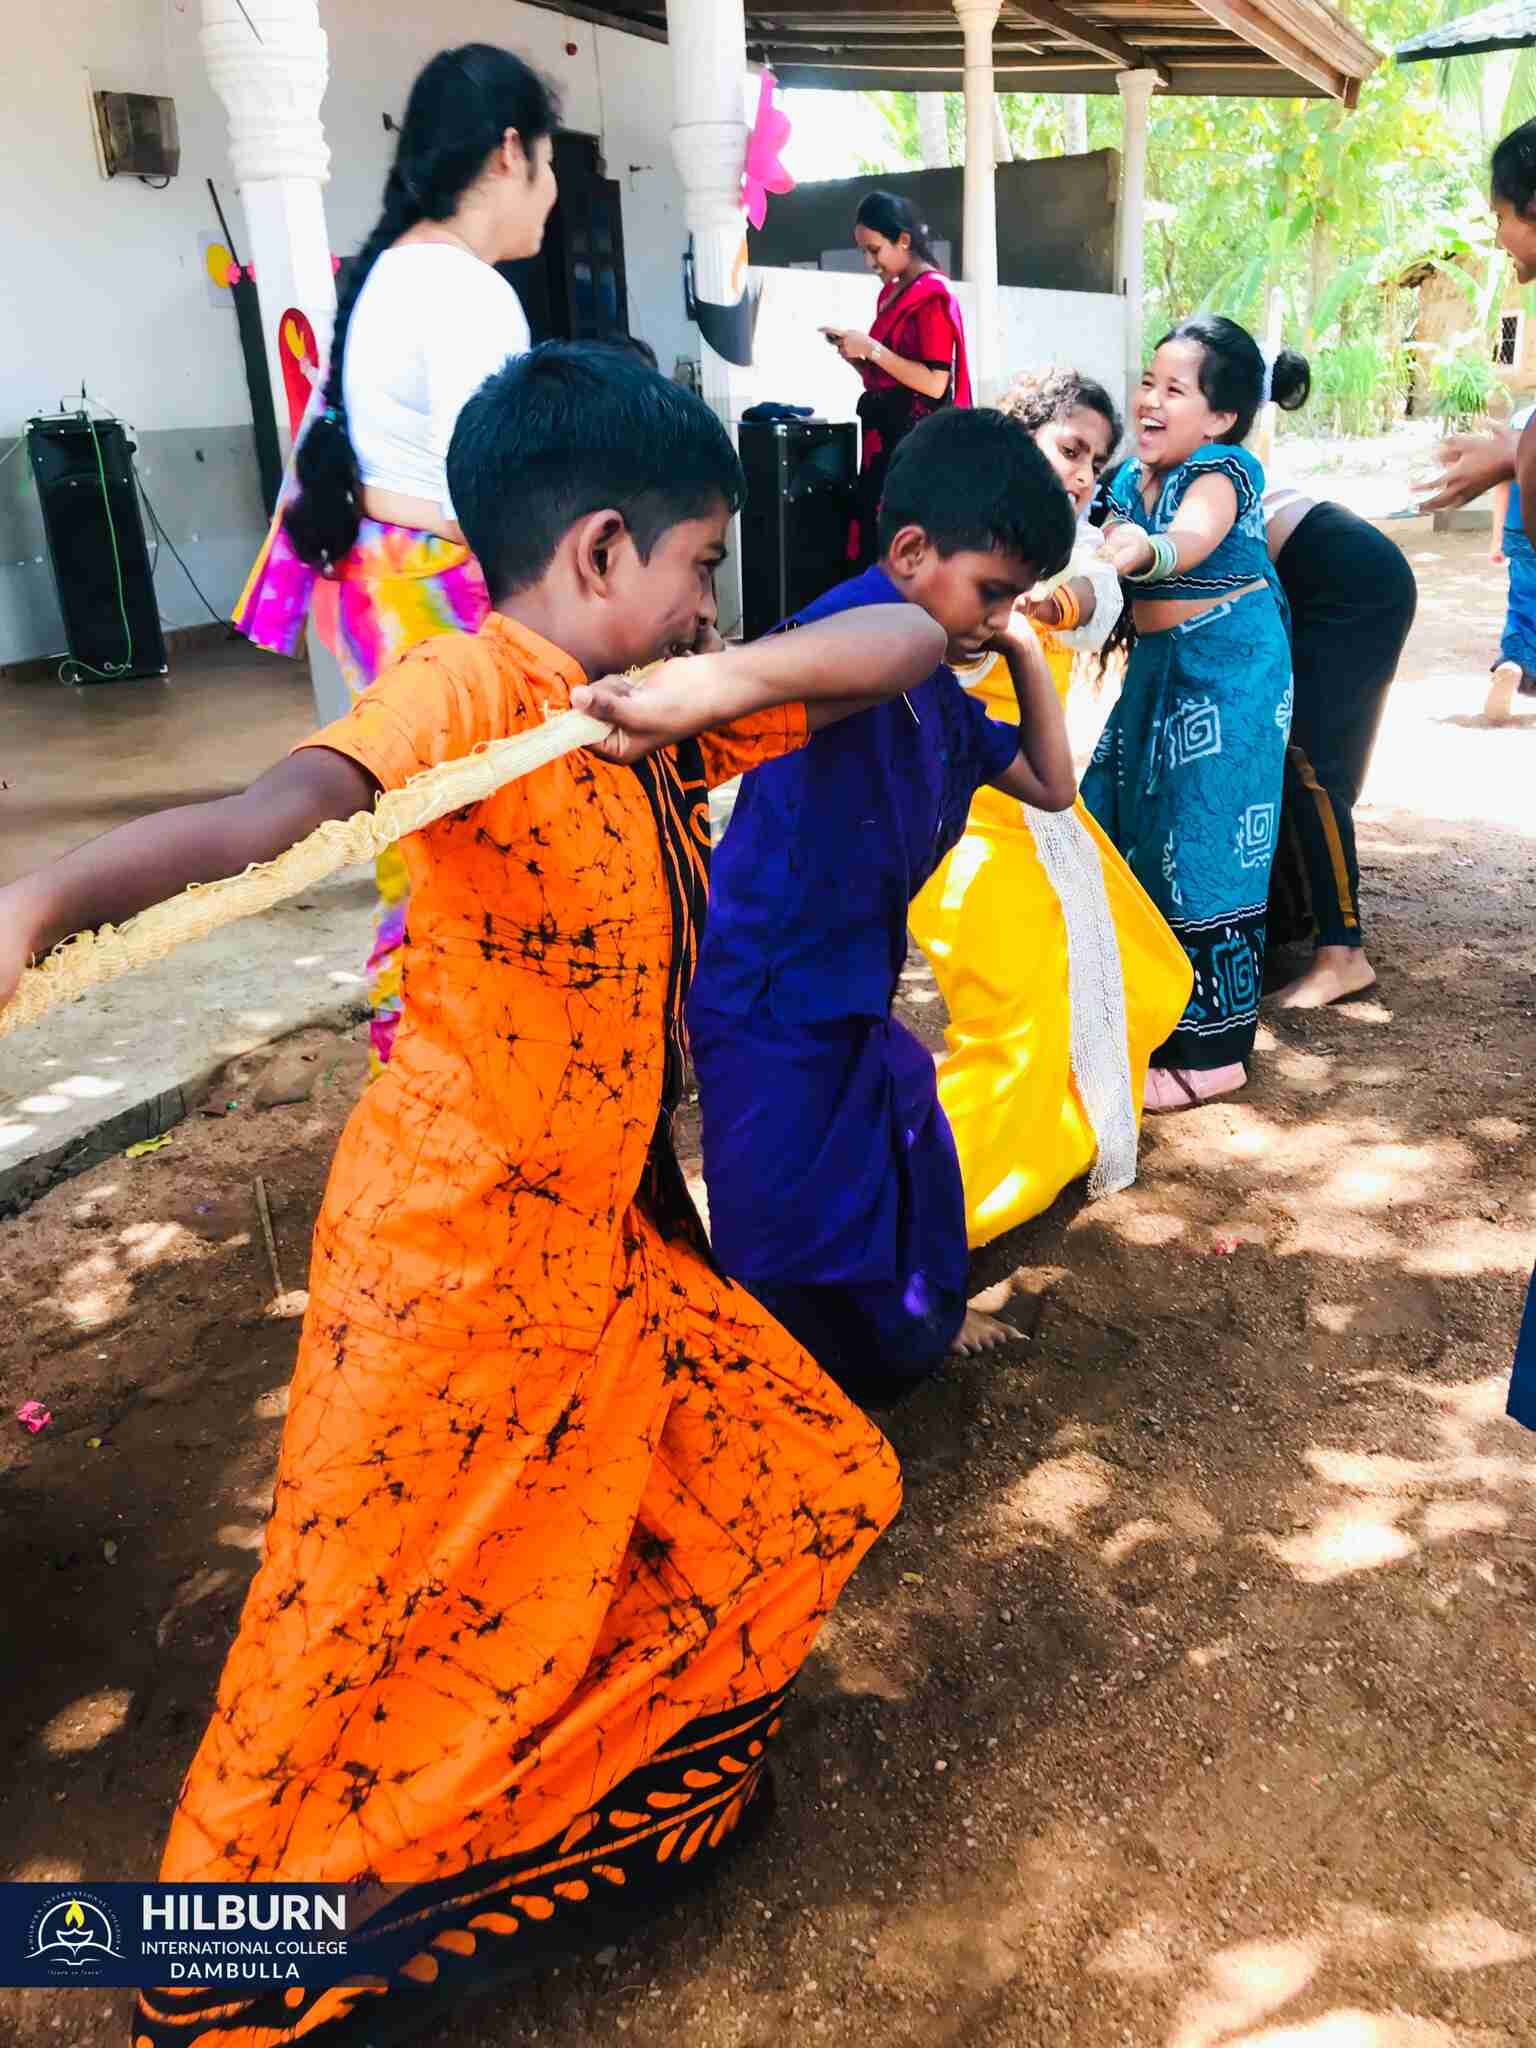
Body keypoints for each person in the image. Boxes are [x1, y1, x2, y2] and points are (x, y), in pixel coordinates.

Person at [0, 346, 955, 2048]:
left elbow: (908, 642)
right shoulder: (469, 690)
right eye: (693, 569)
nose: (702, 605)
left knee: (808, 1484)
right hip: (447, 1261)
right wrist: (56, 883)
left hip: (599, 1246)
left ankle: (546, 1832)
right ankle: (198, 1971)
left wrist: (698, 681)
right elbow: (276, 809)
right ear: (599, 553)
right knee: (340, 1653)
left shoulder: (660, 704)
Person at [688, 407, 1077, 1408]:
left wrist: (1023, 648)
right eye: (991, 590)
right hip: (767, 994)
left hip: (849, 991)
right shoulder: (863, 634)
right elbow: (859, 651)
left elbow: (1050, 781)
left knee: (906, 1149)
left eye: (1013, 597)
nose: (994, 616)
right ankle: (775, 1408)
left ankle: (902, 1342)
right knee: (780, 1226)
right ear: (908, 551)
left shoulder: (945, 687)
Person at [237, 44, 558, 1072]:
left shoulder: (391, 272)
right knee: (466, 850)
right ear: (509, 153)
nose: (552, 198)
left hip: (383, 584)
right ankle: (440, 1072)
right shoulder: (465, 291)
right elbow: (502, 483)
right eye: (551, 166)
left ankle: (418, 1060)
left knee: (417, 841)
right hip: (437, 595)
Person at [908, 370, 1192, 1243]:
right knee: (1018, 1016)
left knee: (1146, 972)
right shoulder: (952, 546)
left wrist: (1035, 601)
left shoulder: (1076, 551)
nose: (1081, 475)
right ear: (1015, 435)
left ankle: (1055, 1140)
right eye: (1069, 448)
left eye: (1095, 462)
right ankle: (918, 1219)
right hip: (958, 825)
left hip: (1038, 810)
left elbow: (1091, 592)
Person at [1082, 314, 1307, 1112]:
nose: (1150, 399)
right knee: (1106, 822)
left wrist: (1144, 551)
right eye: (1148, 380)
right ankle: (1134, 1009)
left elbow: (1192, 537)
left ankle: (1215, 1054)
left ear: (1219, 416)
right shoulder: (1128, 479)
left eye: (1175, 389)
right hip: (1160, 673)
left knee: (1205, 845)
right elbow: (1087, 533)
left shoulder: (1223, 468)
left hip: (1231, 676)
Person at [1261, 491, 1418, 1007]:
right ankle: (1298, 915)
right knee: (1293, 756)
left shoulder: (1122, 497)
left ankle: (1343, 955)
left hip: (1349, 583)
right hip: (1328, 574)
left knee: (1312, 765)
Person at [822, 191, 971, 568]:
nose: (870, 262)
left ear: (903, 240)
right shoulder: (891, 293)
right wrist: (856, 357)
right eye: (865, 253)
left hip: (911, 451)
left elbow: (936, 382)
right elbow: (889, 380)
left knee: (900, 551)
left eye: (875, 250)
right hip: (881, 447)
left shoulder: (931, 296)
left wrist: (871, 349)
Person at [1486, 401, 1536, 722]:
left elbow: (1502, 483)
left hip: (1521, 527)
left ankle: (1512, 664)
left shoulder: (1521, 418)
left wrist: (1497, 537)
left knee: (1523, 602)